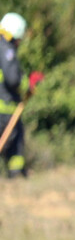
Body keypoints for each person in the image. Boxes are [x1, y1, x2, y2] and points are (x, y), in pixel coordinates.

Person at [0, 12, 29, 178]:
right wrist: (26, 83)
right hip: (5, 109)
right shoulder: (6, 51)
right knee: (14, 143)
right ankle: (16, 174)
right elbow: (13, 80)